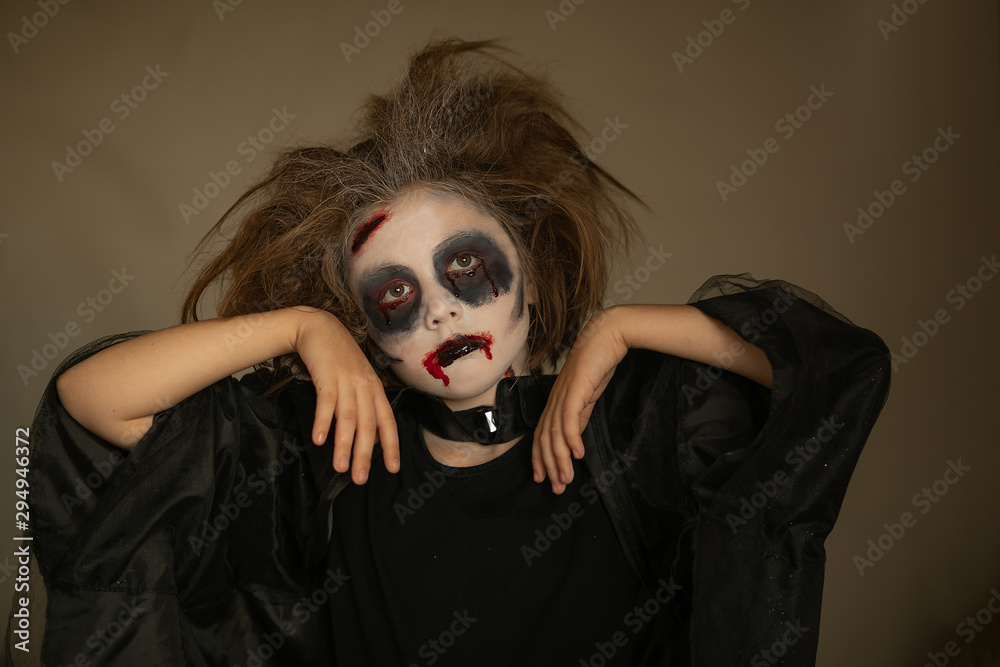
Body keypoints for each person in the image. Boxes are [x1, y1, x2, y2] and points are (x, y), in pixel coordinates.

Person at [23, 39, 890, 665]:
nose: (438, 307)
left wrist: (622, 326)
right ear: (372, 340)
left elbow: (832, 373)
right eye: (393, 295)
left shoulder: (643, 426)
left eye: (466, 267)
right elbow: (92, 402)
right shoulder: (322, 458)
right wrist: (300, 329)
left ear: (535, 283)